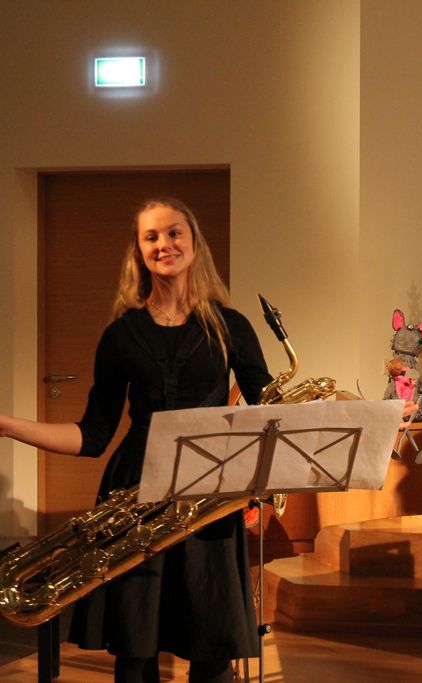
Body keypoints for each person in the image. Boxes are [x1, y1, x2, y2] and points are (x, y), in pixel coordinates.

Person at [0, 197, 271, 683]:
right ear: (139, 252)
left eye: (174, 232)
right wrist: (7, 425)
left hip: (208, 495)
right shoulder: (121, 334)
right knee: (135, 647)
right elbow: (93, 435)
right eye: (152, 236)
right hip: (134, 494)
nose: (164, 244)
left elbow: (268, 406)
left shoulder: (231, 325)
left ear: (194, 243)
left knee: (212, 648)